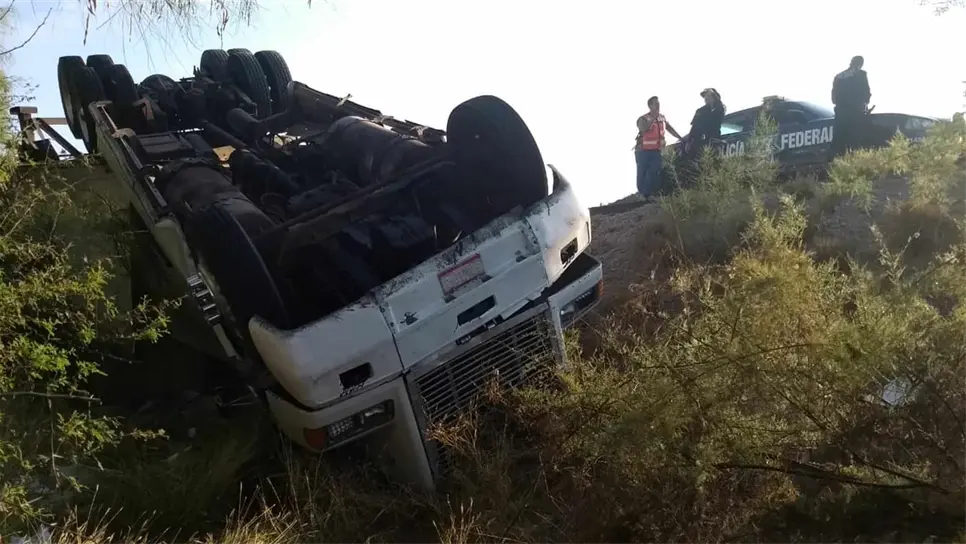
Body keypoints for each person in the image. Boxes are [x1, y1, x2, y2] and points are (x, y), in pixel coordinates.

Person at [633, 96, 683, 199]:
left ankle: (650, 193)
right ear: (650, 106)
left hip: (656, 150)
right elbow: (644, 128)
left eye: (658, 103)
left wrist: (680, 138)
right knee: (642, 172)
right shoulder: (644, 118)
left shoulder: (662, 117)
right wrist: (653, 118)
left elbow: (669, 128)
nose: (658, 106)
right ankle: (643, 193)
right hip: (643, 151)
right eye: (655, 104)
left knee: (655, 171)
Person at [831, 55, 872, 158]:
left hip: (840, 114)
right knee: (855, 142)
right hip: (856, 114)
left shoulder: (839, 76)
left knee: (838, 142)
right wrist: (864, 105)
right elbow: (866, 93)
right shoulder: (861, 75)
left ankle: (835, 163)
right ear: (860, 64)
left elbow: (833, 98)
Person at [682, 88, 726, 168]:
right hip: (699, 141)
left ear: (713, 97)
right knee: (697, 164)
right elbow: (694, 127)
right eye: (705, 97)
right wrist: (689, 141)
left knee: (713, 164)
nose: (706, 98)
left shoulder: (719, 109)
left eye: (708, 96)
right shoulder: (701, 111)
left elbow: (717, 121)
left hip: (714, 140)